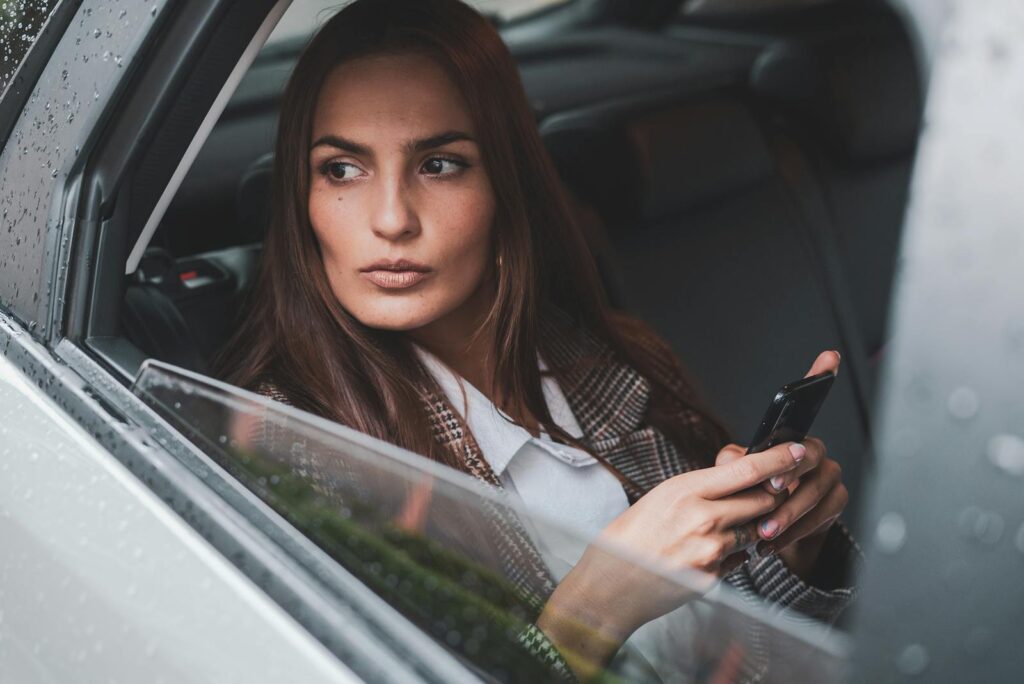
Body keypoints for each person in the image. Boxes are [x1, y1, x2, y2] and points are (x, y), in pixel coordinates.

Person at [215, 0, 857, 679]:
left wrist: (791, 553)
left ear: (505, 183)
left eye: (439, 164)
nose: (392, 218)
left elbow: (741, 649)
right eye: (342, 169)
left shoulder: (612, 358)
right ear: (300, 196)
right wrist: (592, 612)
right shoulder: (290, 451)